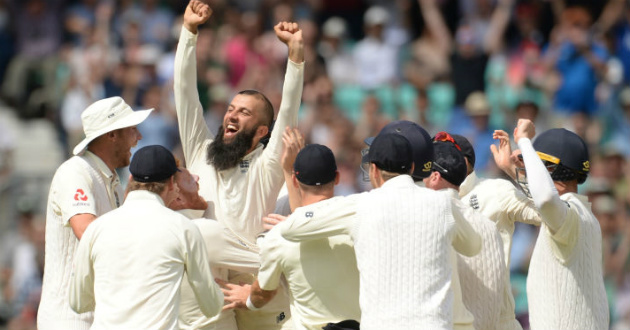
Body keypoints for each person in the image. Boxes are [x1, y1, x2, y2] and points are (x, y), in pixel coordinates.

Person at [175, 1, 304, 328]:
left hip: (261, 284)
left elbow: (288, 108)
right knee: (202, 233)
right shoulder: (201, 150)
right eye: (231, 109)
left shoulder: (268, 162)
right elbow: (186, 94)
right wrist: (189, 32)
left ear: (262, 131)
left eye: (244, 113)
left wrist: (295, 56)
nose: (231, 115)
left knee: (204, 233)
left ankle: (283, 266)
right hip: (213, 284)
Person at [281, 132, 481, 330]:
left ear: (373, 170)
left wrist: (288, 172)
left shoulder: (361, 205)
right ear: (412, 167)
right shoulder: (442, 203)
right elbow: (473, 247)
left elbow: (292, 228)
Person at [69, 145, 223, 329]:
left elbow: (78, 303)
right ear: (172, 184)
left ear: (131, 179)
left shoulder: (96, 229)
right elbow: (211, 307)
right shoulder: (184, 228)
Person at [221, 134, 361, 330]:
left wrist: (249, 300)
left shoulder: (278, 237)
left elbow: (264, 293)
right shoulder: (359, 218)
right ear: (337, 178)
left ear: (295, 181)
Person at [37, 96, 152, 330]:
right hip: (68, 320)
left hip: (97, 318)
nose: (138, 137)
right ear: (112, 135)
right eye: (132, 129)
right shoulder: (75, 171)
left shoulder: (112, 182)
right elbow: (87, 231)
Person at [512, 119, 609, 329]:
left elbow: (546, 199)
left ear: (552, 168)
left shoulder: (571, 215)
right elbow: (547, 203)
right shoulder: (584, 214)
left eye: (537, 165)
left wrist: (524, 142)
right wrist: (511, 169)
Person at [425, 140, 516, 330]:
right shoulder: (484, 224)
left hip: (496, 321)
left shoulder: (496, 190)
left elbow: (547, 211)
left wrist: (514, 171)